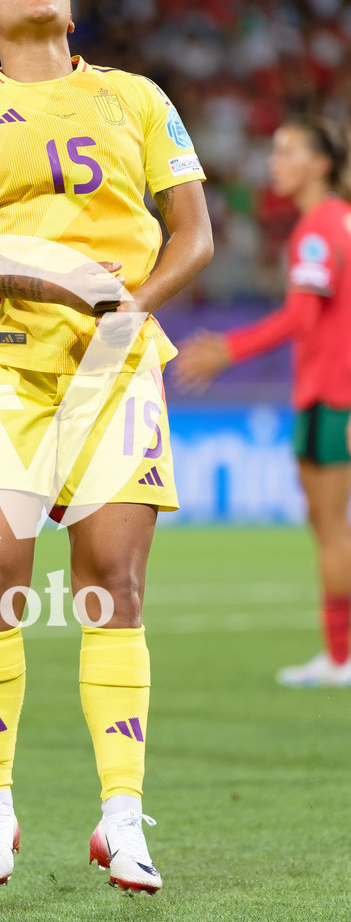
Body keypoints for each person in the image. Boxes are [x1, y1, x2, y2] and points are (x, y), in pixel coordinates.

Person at [0, 0, 213, 891]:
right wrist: (74, 289)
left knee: (111, 585)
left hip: (116, 366)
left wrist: (131, 308)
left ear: (71, 10)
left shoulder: (136, 96)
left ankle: (121, 817)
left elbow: (192, 234)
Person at [176, 115, 351, 689]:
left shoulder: (321, 228)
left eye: (288, 151)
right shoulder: (336, 224)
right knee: (327, 525)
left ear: (320, 164)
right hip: (329, 391)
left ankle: (341, 658)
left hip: (332, 395)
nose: (274, 163)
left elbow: (303, 316)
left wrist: (229, 350)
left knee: (331, 529)